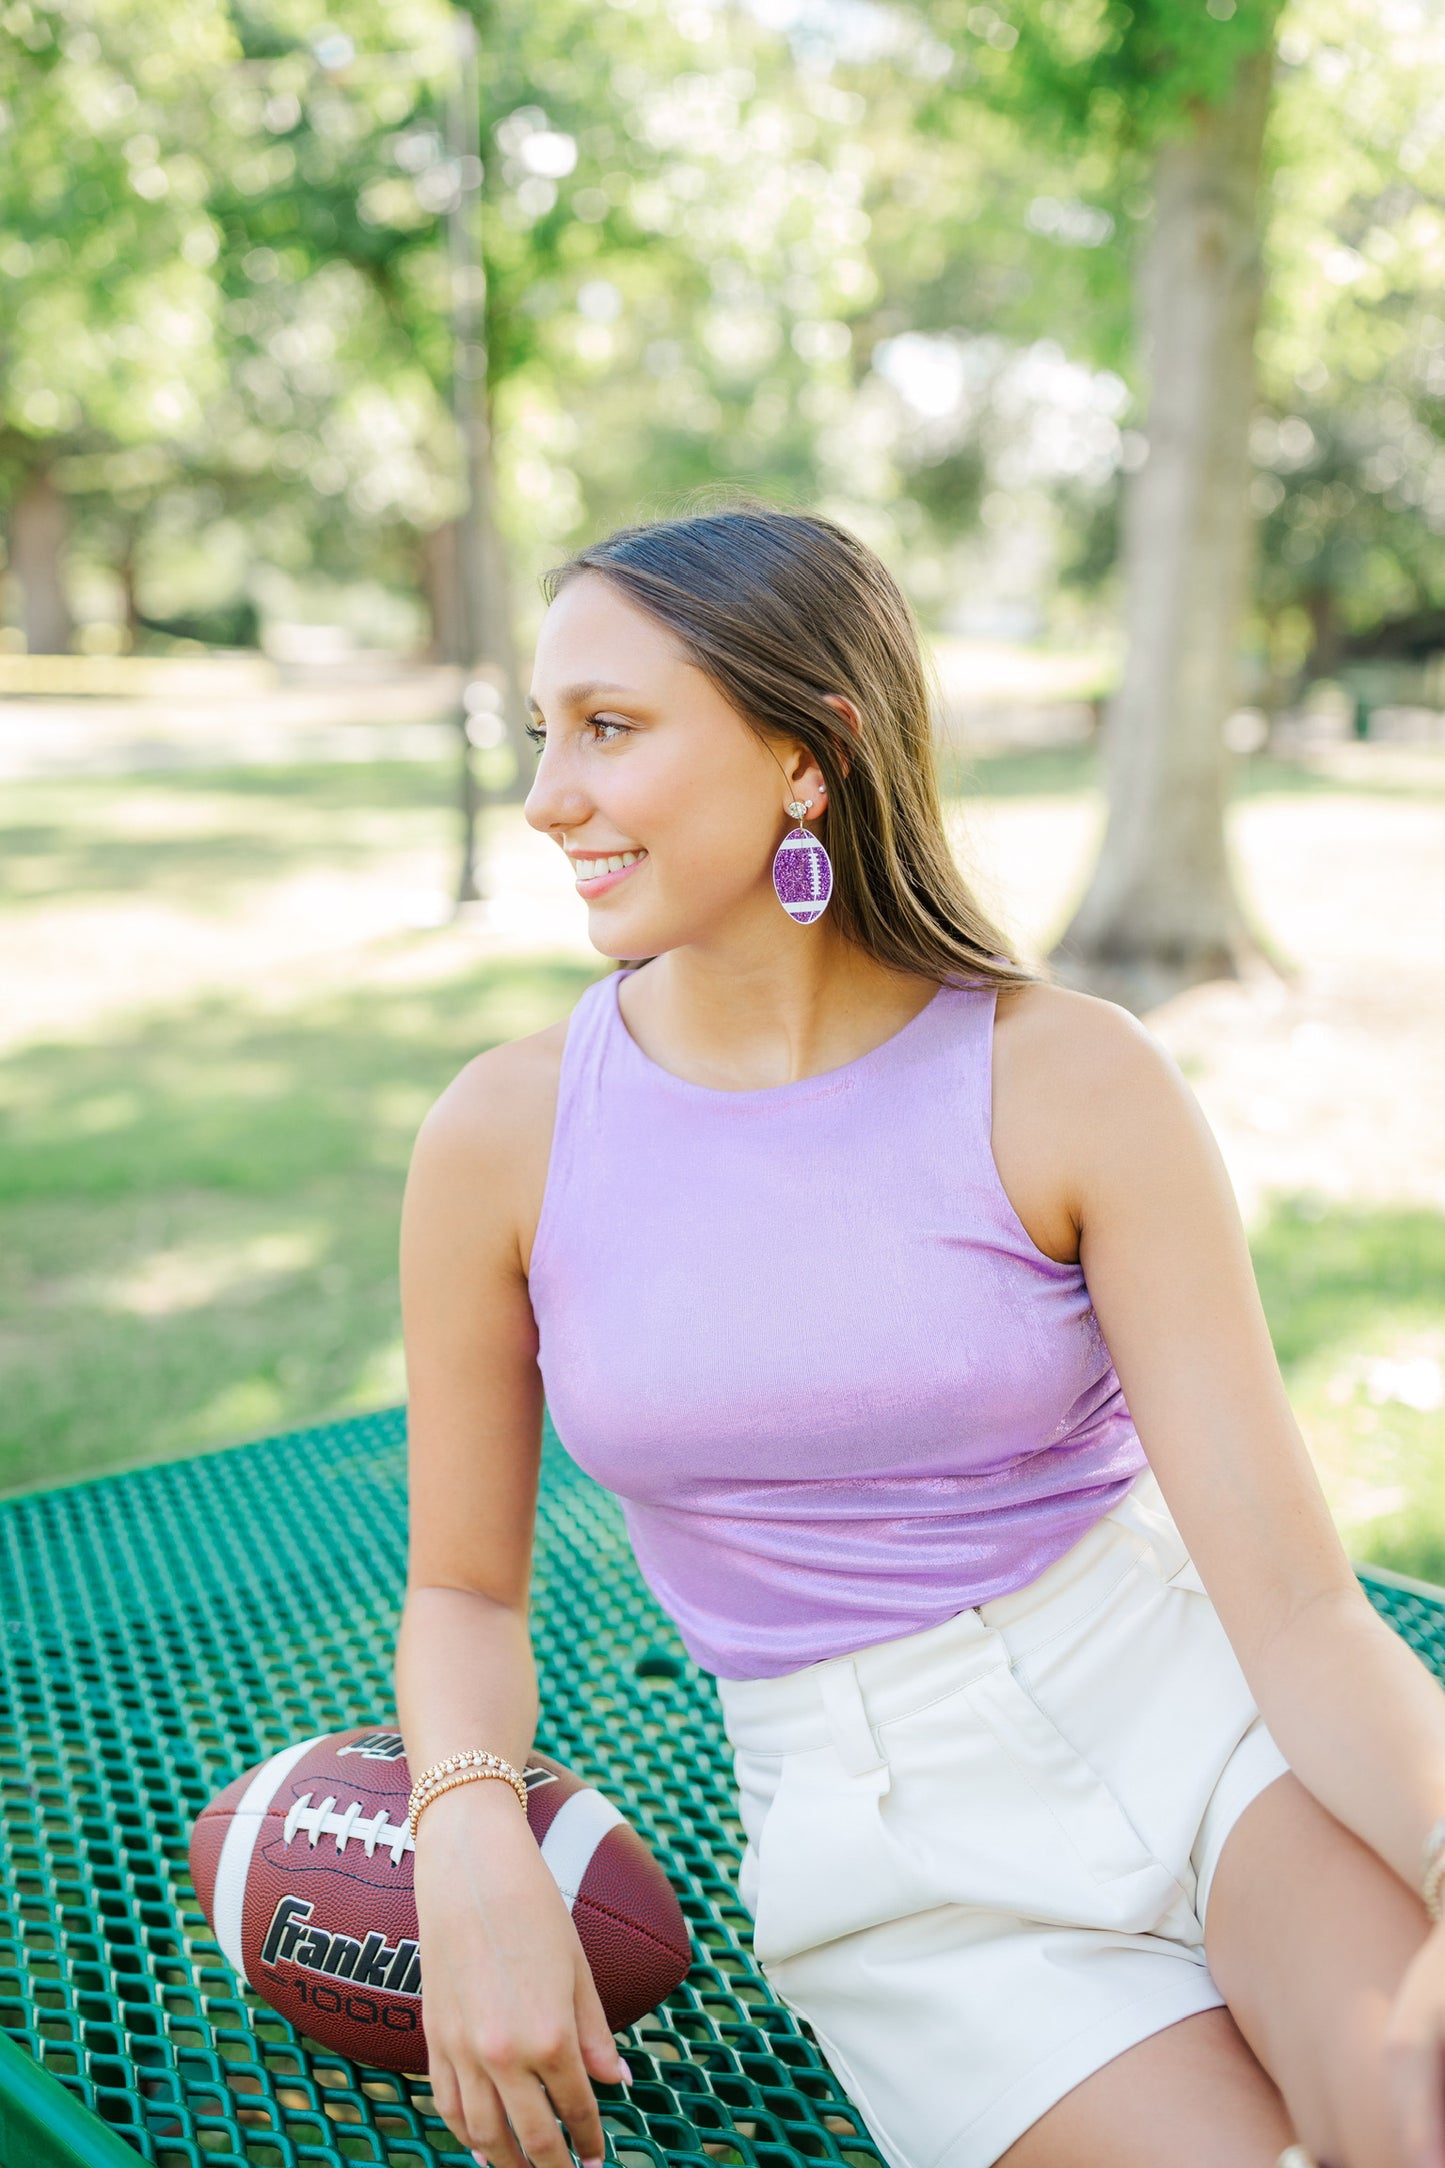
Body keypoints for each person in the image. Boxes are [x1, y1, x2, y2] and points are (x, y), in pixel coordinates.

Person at [393, 505, 1445, 2168]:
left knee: (1416, 2107)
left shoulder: (1072, 1079)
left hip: (1202, 1716)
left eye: (608, 729)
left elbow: (1301, 1607)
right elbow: (461, 1589)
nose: (546, 798)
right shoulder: (501, 1135)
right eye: (542, 733)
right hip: (890, 1854)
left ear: (810, 755)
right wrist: (466, 1844)